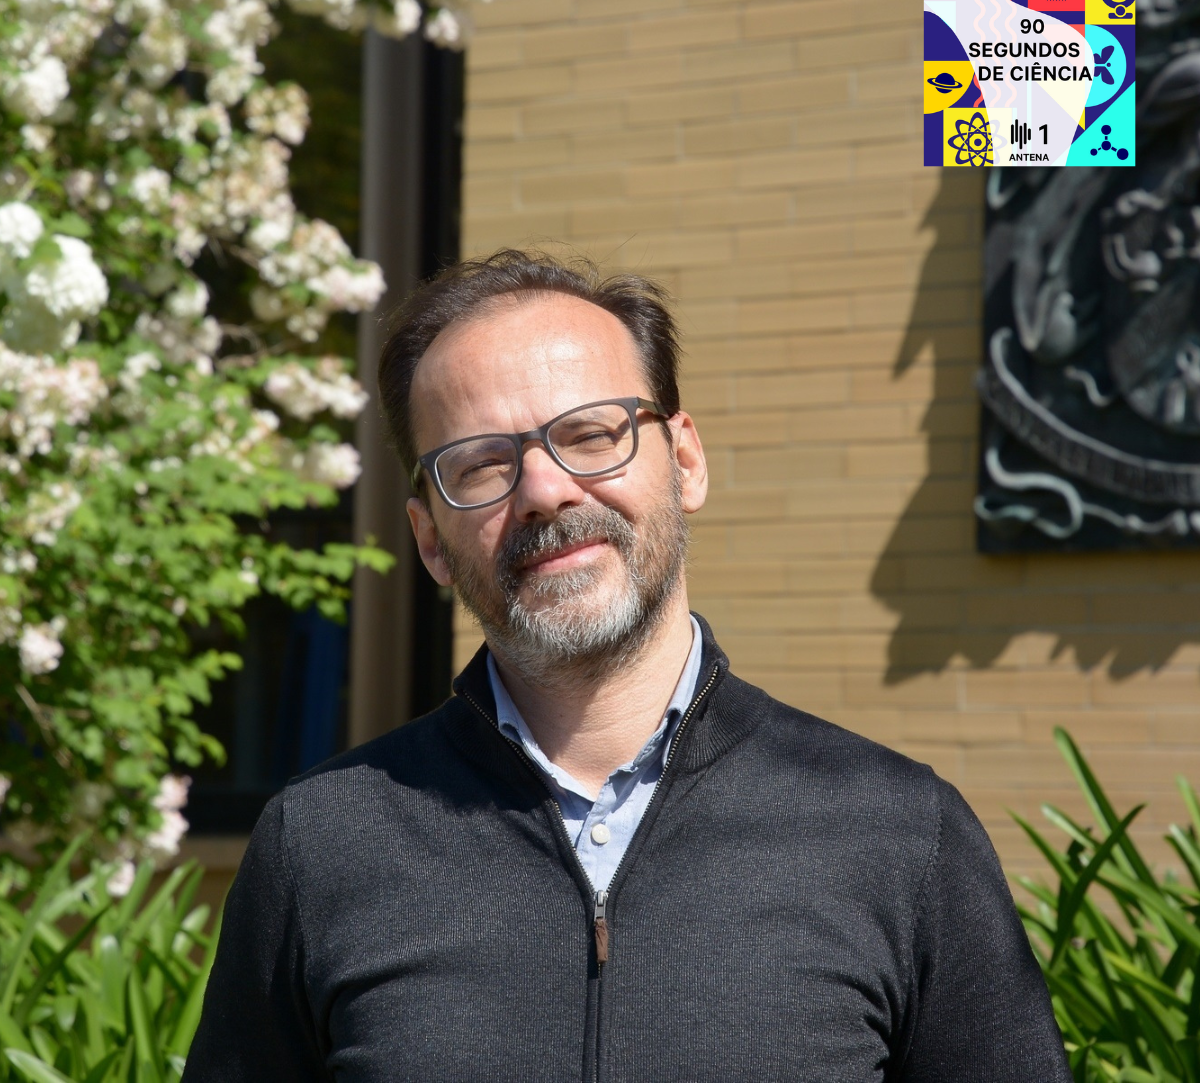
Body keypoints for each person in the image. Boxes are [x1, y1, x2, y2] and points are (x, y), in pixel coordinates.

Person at [183, 249, 1071, 1082]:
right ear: (430, 541)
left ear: (685, 462)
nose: (545, 490)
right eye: (480, 464)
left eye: (591, 433)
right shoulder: (321, 847)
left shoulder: (898, 834)